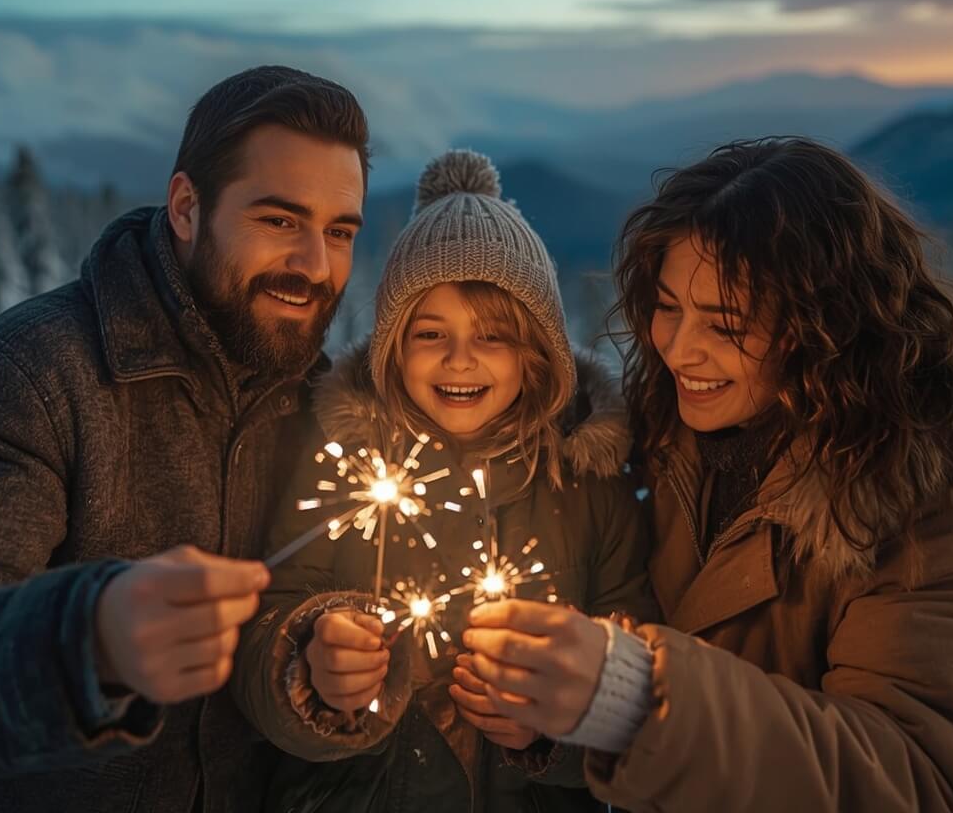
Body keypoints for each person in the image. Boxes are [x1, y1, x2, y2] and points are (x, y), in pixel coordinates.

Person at [460, 137, 953, 811]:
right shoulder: (668, 438)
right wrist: (559, 717)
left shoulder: (933, 486)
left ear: (825, 325)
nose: (678, 349)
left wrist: (640, 699)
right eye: (668, 307)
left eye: (726, 323)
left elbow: (932, 779)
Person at [0, 65, 371, 813]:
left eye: (339, 231)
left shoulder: (327, 411)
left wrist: (323, 667)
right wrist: (91, 644)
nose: (314, 265)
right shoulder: (34, 373)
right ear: (187, 208)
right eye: (279, 221)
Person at [232, 150, 658, 812]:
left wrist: (562, 728)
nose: (459, 359)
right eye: (431, 333)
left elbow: (638, 684)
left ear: (536, 350)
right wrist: (310, 668)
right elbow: (273, 616)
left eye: (492, 336)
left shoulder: (589, 484)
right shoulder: (345, 465)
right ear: (393, 348)